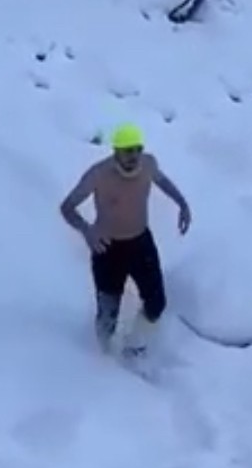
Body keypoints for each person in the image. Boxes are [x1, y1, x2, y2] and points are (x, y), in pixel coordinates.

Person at [60, 123, 191, 352]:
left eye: (138, 149)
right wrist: (87, 230)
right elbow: (67, 207)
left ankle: (135, 347)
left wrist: (182, 203)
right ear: (116, 151)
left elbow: (162, 181)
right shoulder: (98, 174)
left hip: (140, 243)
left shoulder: (148, 164)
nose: (134, 156)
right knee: (108, 314)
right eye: (128, 150)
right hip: (107, 249)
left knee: (156, 304)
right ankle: (100, 359)